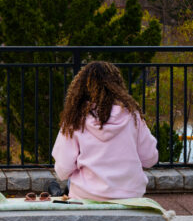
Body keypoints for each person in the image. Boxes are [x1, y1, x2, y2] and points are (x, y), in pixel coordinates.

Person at [50, 61, 159, 201]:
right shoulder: (133, 116)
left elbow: (63, 170)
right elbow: (150, 158)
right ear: (117, 85)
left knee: (69, 184)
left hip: (86, 195)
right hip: (130, 194)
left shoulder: (75, 119)